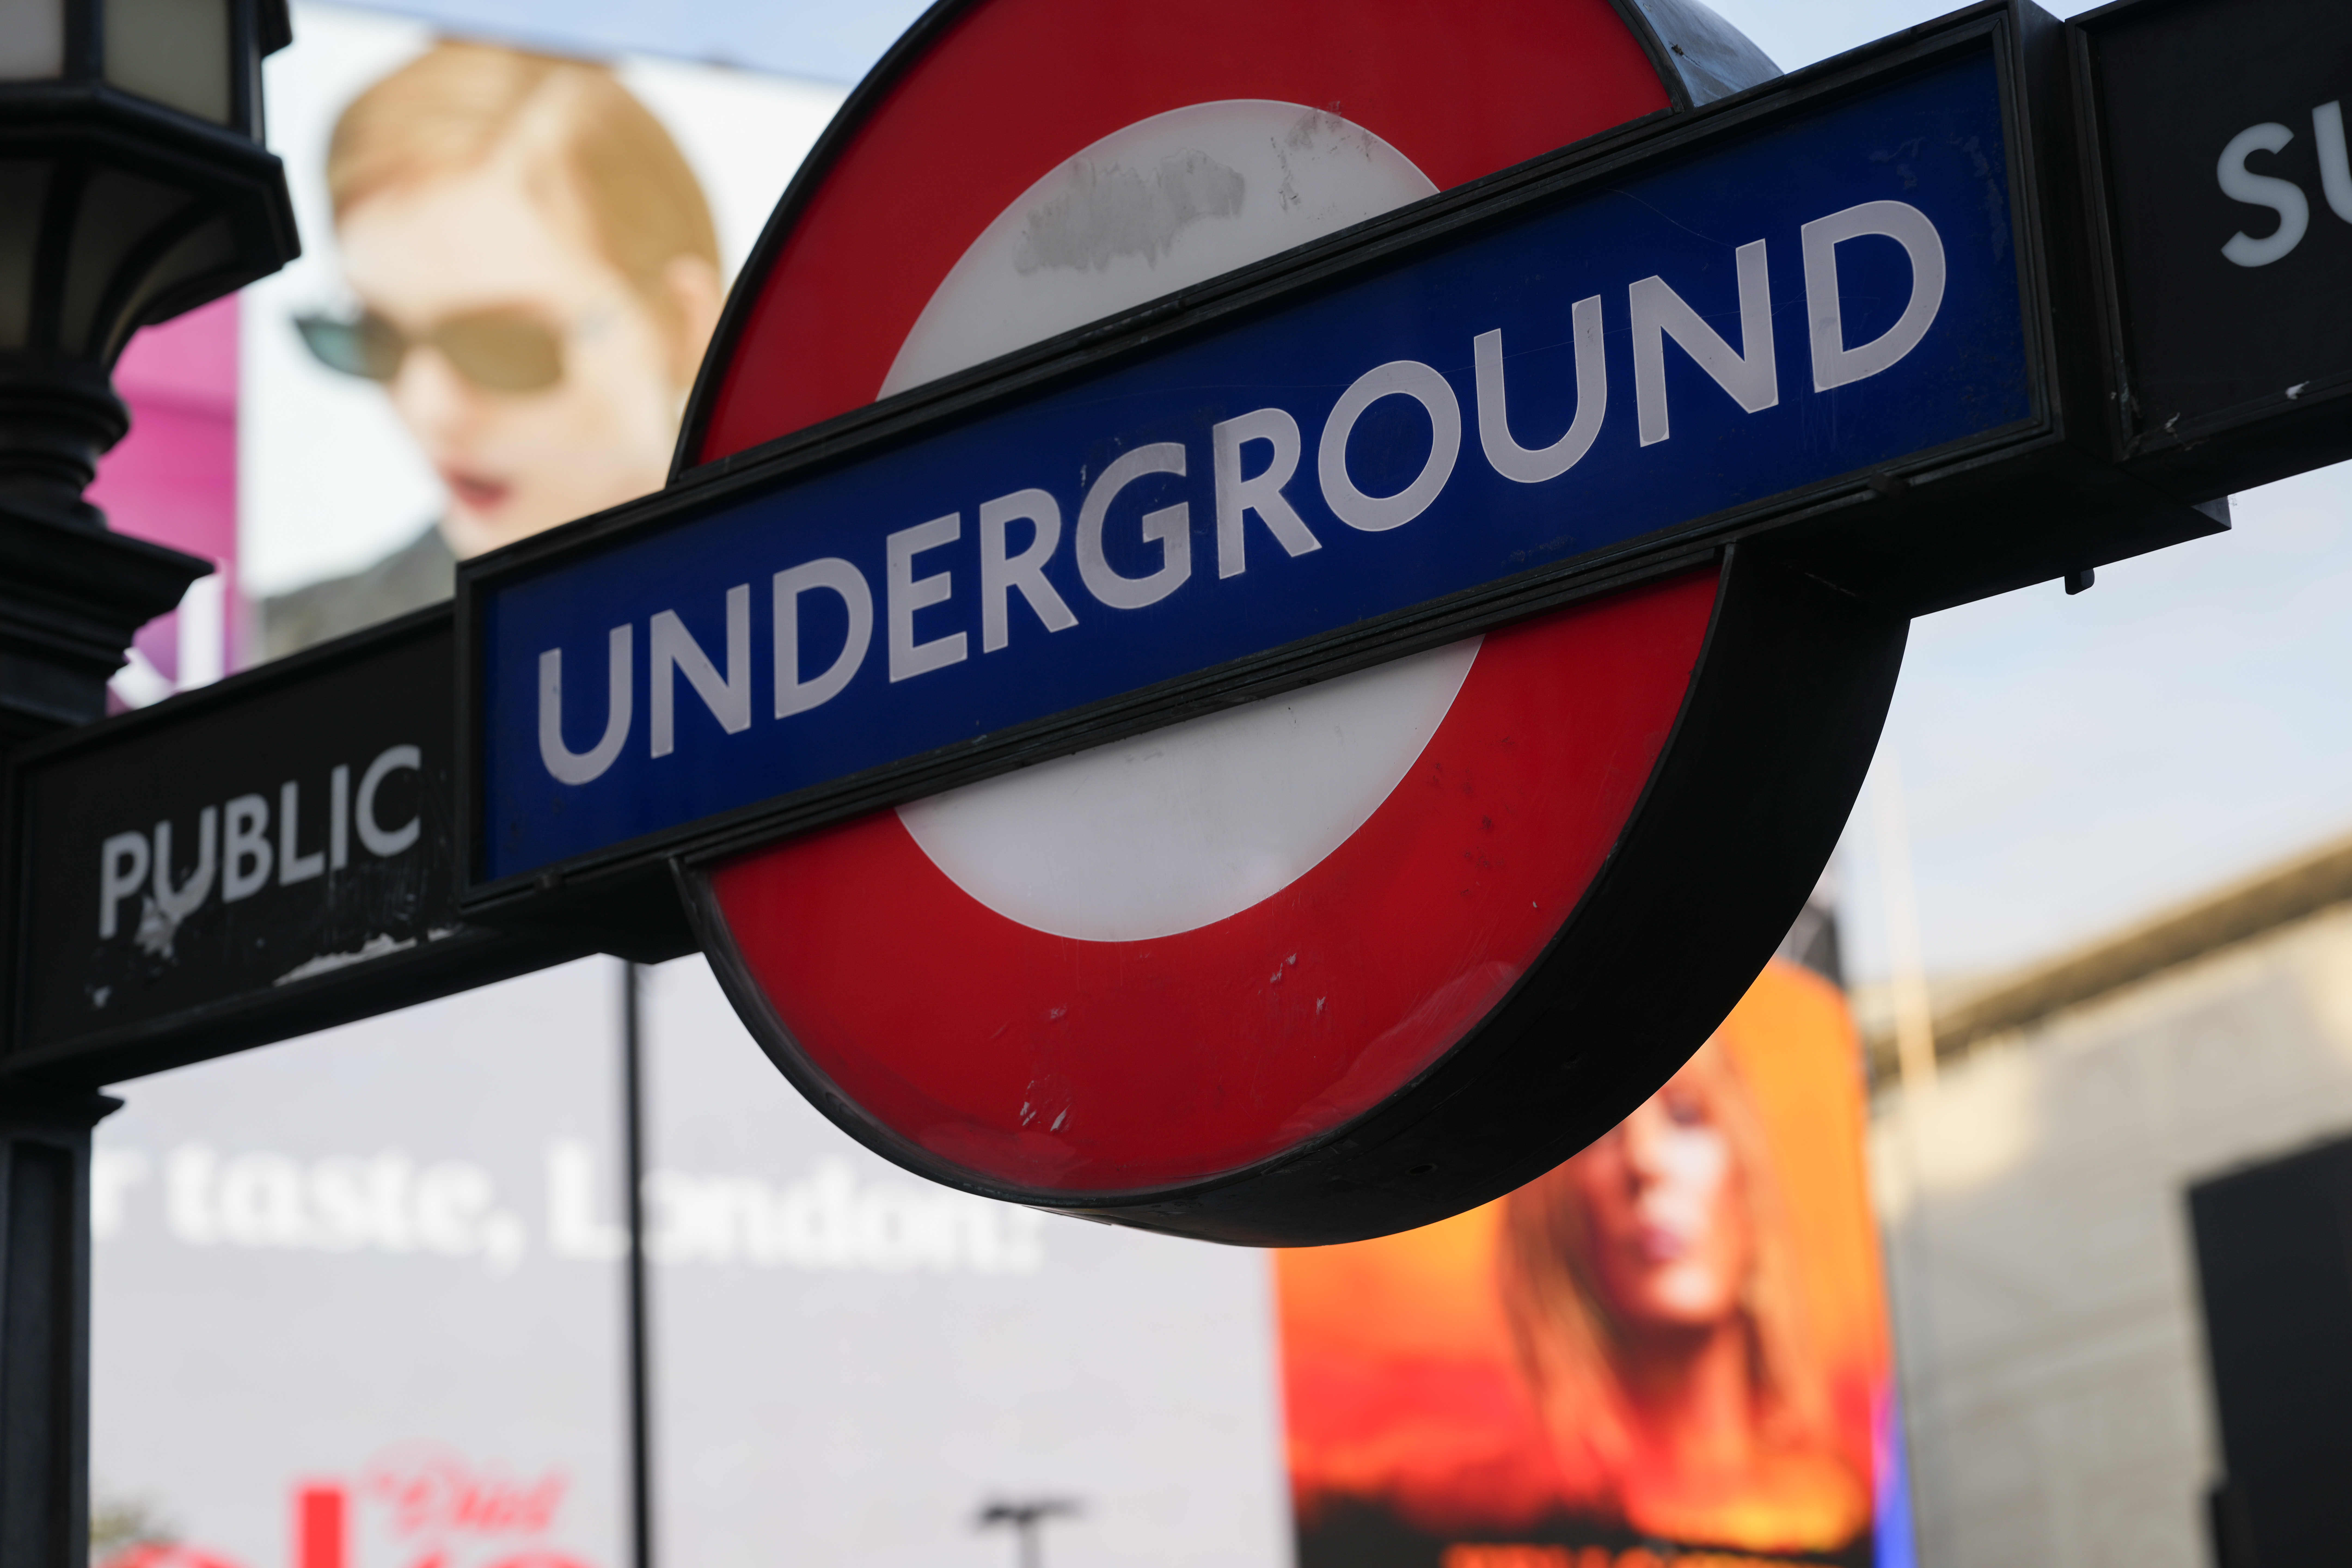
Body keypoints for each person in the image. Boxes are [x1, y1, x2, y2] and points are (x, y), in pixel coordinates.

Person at [265, 42, 724, 656]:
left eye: (504, 345)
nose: (431, 410)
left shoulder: (854, 607)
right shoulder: (270, 657)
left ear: (683, 321)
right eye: (375, 336)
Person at [1496, 1037, 1869, 1551]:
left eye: (1687, 1116)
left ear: (1748, 1183)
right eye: (1602, 1132)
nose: (1645, 1162)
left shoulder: (1852, 1509)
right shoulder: (1489, 1517)